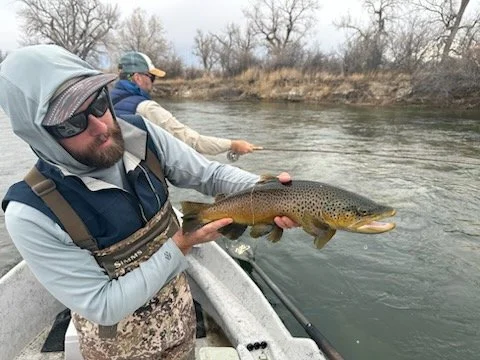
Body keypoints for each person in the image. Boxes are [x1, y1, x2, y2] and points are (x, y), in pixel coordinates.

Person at [0, 44, 296, 360]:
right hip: (115, 351)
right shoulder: (30, 212)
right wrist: (180, 244)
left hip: (181, 326)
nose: (101, 126)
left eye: (99, 102)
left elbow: (209, 174)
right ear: (37, 134)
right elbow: (103, 304)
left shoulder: (141, 134)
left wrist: (270, 193)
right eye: (71, 123)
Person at [110, 51, 259, 156]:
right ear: (138, 78)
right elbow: (193, 142)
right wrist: (232, 145)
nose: (153, 83)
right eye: (152, 77)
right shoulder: (147, 108)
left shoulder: (107, 99)